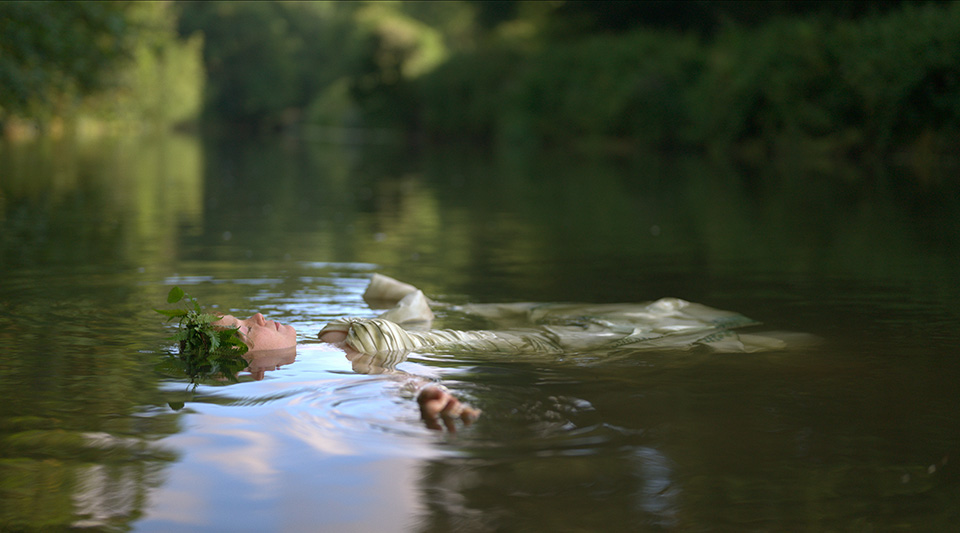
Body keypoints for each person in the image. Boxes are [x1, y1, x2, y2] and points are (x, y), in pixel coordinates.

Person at [213, 308, 478, 432]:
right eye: (246, 329)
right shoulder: (324, 360)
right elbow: (390, 376)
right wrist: (429, 390)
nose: (258, 316)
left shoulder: (321, 345)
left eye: (244, 317)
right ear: (255, 369)